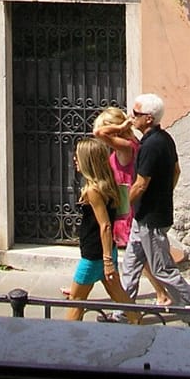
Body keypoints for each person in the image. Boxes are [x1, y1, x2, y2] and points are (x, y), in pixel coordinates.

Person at [115, 93, 190, 323]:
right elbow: (176, 171)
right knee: (130, 266)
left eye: (136, 114)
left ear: (148, 118)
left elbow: (140, 184)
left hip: (151, 219)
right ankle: (122, 314)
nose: (132, 117)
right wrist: (164, 193)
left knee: (162, 269)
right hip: (145, 216)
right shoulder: (165, 139)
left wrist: (118, 206)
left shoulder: (151, 146)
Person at [92, 106, 171, 306]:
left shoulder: (126, 146)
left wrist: (120, 125)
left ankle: (160, 294)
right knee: (136, 256)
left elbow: (98, 133)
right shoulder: (133, 143)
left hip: (127, 203)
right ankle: (130, 302)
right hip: (125, 201)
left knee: (139, 256)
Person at [62, 137, 140, 323]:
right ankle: (138, 323)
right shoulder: (107, 184)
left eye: (77, 157)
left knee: (76, 301)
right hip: (105, 251)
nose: (74, 160)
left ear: (88, 161)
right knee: (118, 294)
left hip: (94, 256)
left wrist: (107, 262)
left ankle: (64, 337)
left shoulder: (93, 190)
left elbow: (105, 226)